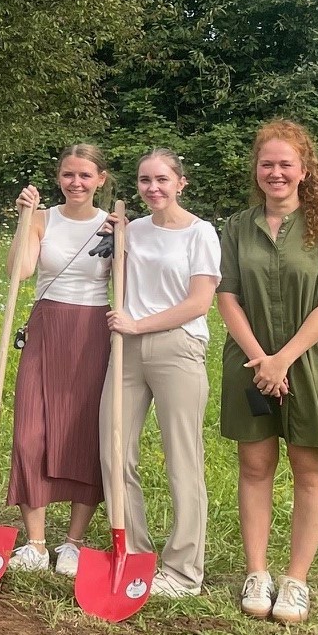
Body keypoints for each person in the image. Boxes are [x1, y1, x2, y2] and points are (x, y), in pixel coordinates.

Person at [218, 120, 318, 625]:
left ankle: (296, 579)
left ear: (304, 170)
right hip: (249, 362)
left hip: (310, 362)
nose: (275, 172)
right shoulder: (237, 227)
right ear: (256, 169)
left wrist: (283, 359)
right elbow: (226, 295)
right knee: (254, 467)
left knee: (309, 468)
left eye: (285, 164)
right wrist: (262, 359)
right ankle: (257, 572)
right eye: (267, 163)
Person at [100, 149, 220, 598]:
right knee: (114, 450)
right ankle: (132, 552)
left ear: (180, 183)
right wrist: (111, 242)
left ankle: (183, 570)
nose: (152, 188)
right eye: (144, 180)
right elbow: (114, 280)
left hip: (177, 346)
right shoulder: (132, 230)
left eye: (162, 179)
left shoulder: (200, 233)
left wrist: (139, 324)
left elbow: (199, 302)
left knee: (181, 458)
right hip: (126, 349)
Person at [6, 143, 115, 574]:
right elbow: (19, 271)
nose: (76, 183)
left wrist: (122, 239)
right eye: (69, 174)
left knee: (83, 433)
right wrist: (23, 220)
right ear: (58, 177)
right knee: (29, 433)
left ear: (100, 179)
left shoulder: (113, 224)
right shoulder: (41, 219)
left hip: (92, 331)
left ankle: (73, 542)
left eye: (85, 175)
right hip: (47, 325)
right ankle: (35, 543)